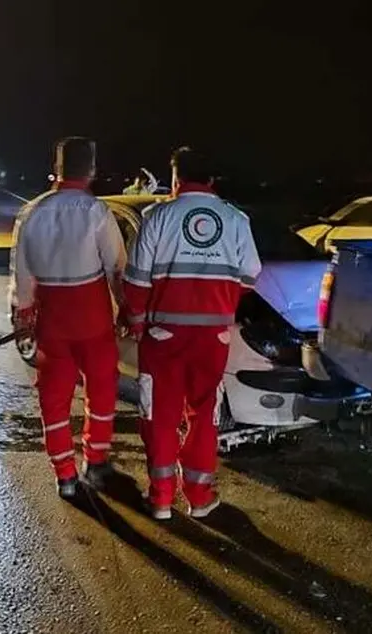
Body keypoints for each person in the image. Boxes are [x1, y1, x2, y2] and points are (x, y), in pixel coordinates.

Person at [121, 146, 261, 520]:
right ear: (213, 179)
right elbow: (249, 276)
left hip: (163, 335)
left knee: (159, 415)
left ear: (175, 178)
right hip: (213, 337)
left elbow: (135, 282)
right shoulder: (236, 220)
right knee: (205, 415)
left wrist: (135, 319)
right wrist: (217, 298)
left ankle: (161, 498)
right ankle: (199, 497)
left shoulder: (158, 216)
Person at [9, 137, 127, 499]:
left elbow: (22, 277)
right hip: (93, 319)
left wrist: (23, 320)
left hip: (52, 323)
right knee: (102, 389)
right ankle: (96, 462)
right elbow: (118, 268)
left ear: (56, 169)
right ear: (91, 170)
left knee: (53, 398)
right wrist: (126, 309)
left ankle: (65, 476)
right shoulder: (96, 212)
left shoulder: (31, 213)